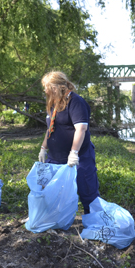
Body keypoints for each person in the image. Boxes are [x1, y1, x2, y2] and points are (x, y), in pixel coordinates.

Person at [38, 71, 100, 213]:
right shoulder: (55, 103)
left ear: (56, 87)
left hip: (80, 157)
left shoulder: (75, 102)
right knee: (50, 191)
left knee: (87, 190)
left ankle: (93, 221)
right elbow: (50, 128)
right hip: (56, 159)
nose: (45, 90)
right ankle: (52, 219)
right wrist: (43, 148)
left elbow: (81, 129)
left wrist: (74, 153)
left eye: (46, 87)